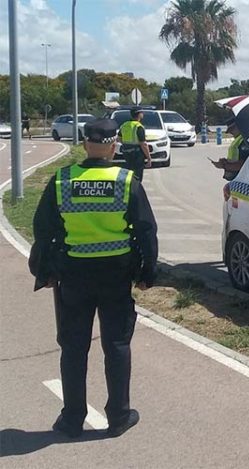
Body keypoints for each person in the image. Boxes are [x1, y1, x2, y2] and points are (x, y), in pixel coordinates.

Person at [29, 118, 158, 438]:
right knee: (116, 344)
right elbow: (146, 232)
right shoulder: (126, 181)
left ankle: (72, 418)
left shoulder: (62, 180)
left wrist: (44, 272)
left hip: (73, 275)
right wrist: (147, 273)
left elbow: (43, 230)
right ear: (114, 146)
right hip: (116, 273)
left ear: (85, 145)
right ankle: (118, 416)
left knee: (73, 348)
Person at [118, 107, 152, 180]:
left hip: (126, 152)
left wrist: (125, 144)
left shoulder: (124, 125)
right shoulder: (138, 126)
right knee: (137, 175)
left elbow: (119, 138)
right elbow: (143, 144)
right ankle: (136, 189)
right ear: (139, 114)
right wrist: (149, 158)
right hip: (137, 154)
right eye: (142, 112)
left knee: (129, 173)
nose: (143, 114)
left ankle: (129, 187)